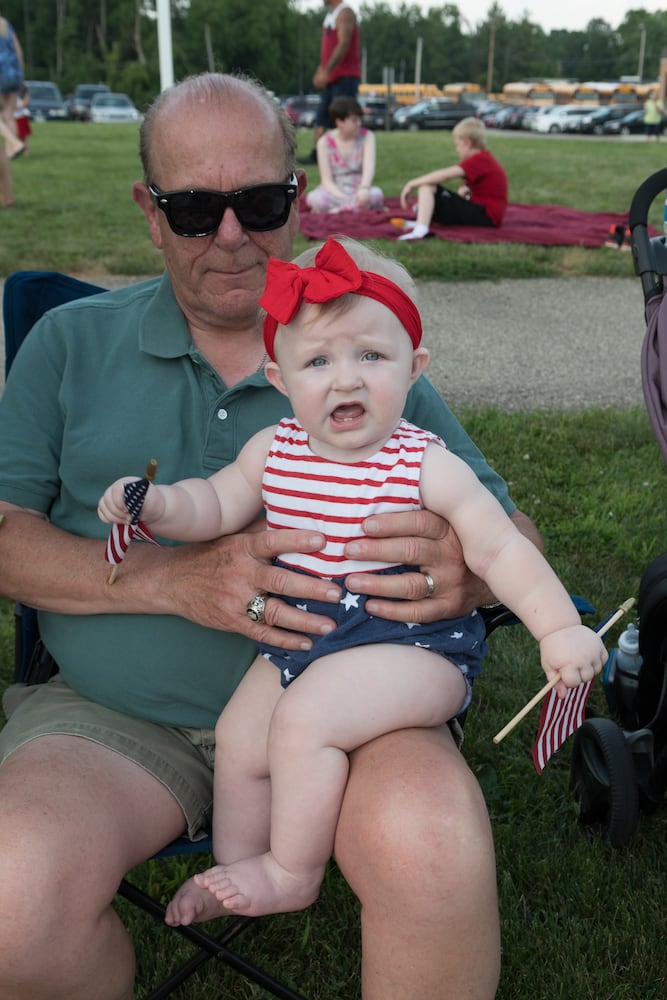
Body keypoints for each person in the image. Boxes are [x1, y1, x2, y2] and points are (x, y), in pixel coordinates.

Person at [0, 70, 542, 1000]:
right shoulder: (68, 343)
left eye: (258, 201)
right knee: (13, 895)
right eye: (193, 207)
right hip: (112, 721)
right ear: (147, 209)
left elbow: (506, 520)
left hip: (354, 708)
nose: (230, 235)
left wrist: (467, 572)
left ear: (296, 195)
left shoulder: (361, 350)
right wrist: (168, 579)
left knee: (432, 845)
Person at [98, 235, 607, 923]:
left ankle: (291, 872)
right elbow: (212, 505)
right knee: (243, 739)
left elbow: (498, 552)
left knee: (304, 722)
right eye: (317, 360)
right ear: (280, 378)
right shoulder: (273, 452)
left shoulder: (423, 464)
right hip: (300, 643)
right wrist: (155, 504)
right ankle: (241, 864)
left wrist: (557, 626)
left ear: (414, 368)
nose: (345, 378)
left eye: (371, 355)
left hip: (410, 649)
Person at [394, 117, 508, 242]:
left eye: (458, 145)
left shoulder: (480, 159)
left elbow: (445, 175)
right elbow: (465, 192)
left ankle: (420, 230)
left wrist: (412, 183)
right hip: (485, 214)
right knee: (428, 201)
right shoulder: (483, 159)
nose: (457, 149)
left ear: (467, 143)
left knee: (427, 186)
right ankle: (421, 221)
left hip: (487, 216)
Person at [299, 0, 360, 165]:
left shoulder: (345, 13)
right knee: (321, 117)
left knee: (342, 118)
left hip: (345, 77)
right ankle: (317, 155)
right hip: (332, 78)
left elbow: (343, 44)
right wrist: (321, 71)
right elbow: (328, 50)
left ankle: (346, 156)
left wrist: (326, 71)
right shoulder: (331, 15)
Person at [305, 96, 383, 213]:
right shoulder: (325, 142)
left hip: (360, 189)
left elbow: (368, 169)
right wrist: (344, 197)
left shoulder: (367, 137)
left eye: (359, 119)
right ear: (339, 122)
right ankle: (354, 207)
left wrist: (364, 188)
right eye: (354, 120)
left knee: (377, 194)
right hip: (335, 191)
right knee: (314, 198)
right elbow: (326, 180)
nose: (359, 123)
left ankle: (339, 210)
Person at [0, 12, 25, 162]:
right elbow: (19, 51)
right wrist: (21, 75)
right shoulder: (6, 24)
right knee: (8, 114)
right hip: (14, 72)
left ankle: (14, 143)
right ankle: (12, 150)